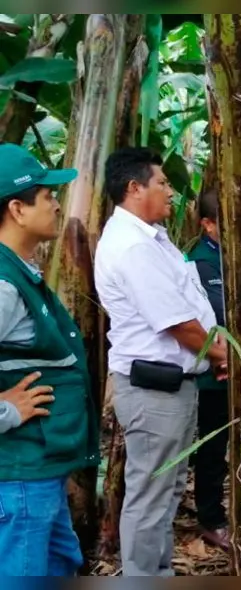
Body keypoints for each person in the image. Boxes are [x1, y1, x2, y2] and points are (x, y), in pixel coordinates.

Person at [94, 147, 226, 576]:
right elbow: (179, 325)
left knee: (165, 491)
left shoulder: (153, 238)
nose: (172, 192)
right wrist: (226, 355)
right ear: (135, 188)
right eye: (163, 183)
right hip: (156, 390)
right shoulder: (133, 247)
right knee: (151, 495)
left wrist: (211, 357)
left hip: (175, 385)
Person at [0, 144, 99, 576]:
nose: (58, 203)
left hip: (40, 471)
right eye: (47, 196)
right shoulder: (3, 287)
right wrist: (6, 410)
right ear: (18, 209)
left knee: (59, 566)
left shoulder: (20, 272)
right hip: (21, 473)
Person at [186, 189, 231, 551]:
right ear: (208, 225)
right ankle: (211, 517)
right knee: (213, 447)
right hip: (214, 373)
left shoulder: (240, 254)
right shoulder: (197, 264)